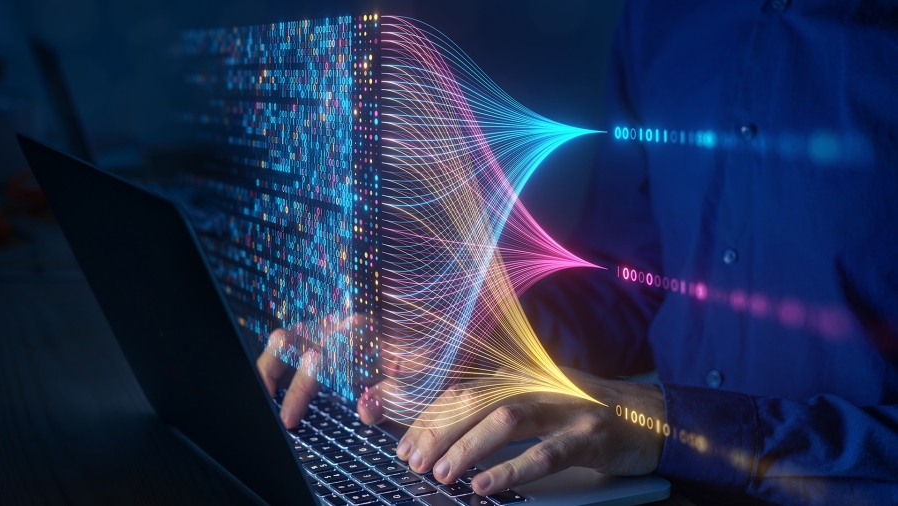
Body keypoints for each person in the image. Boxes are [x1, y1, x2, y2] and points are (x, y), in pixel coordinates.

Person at [258, 1, 898, 504]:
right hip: (650, 488)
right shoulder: (664, 12)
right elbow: (629, 283)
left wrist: (675, 425)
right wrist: (454, 345)